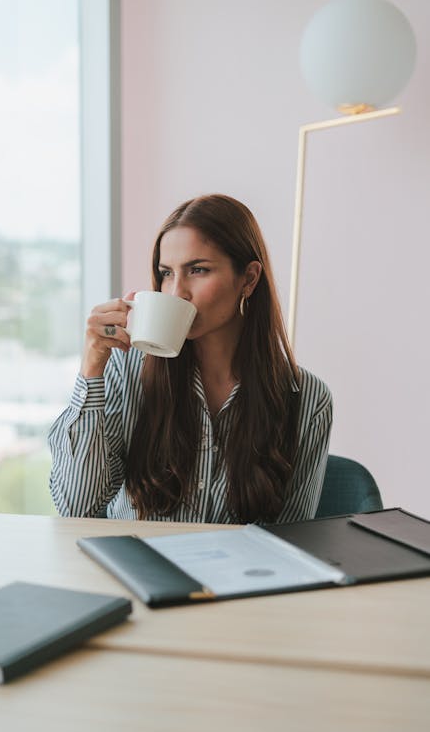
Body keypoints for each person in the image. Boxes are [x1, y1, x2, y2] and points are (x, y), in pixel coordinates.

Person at [48, 194, 332, 524]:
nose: (177, 291)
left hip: (235, 575)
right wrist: (92, 368)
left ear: (249, 279)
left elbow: (291, 540)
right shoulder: (125, 369)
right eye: (166, 273)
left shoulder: (307, 398)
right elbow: (76, 507)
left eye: (198, 270)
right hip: (134, 570)